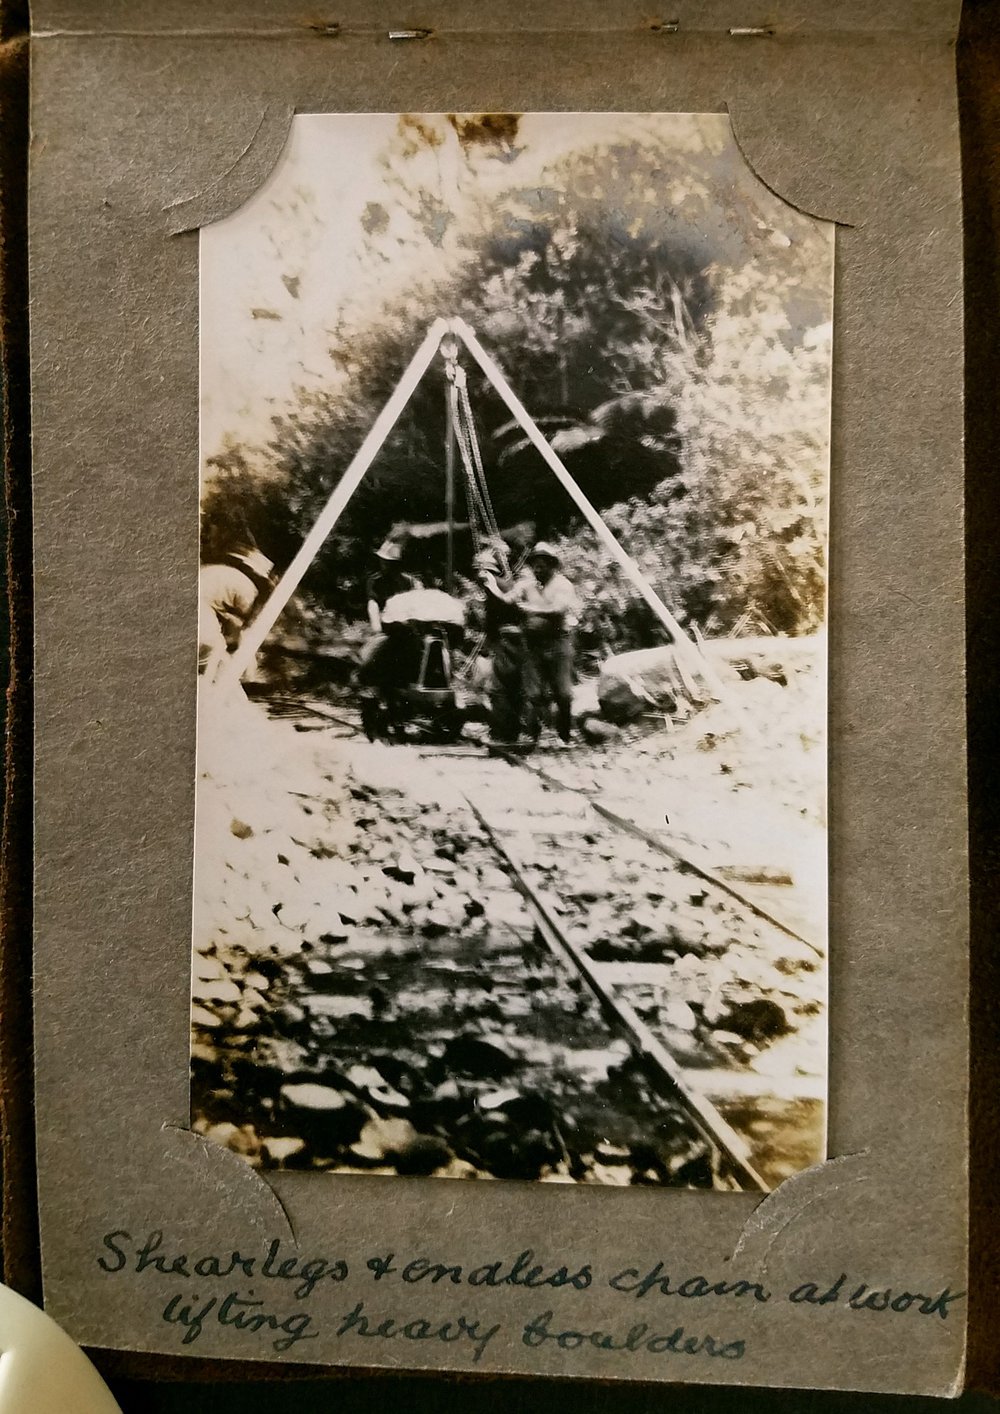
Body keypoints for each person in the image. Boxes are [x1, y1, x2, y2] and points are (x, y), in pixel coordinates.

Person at [515, 542, 579, 745]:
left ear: (552, 565)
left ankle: (564, 735)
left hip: (558, 643)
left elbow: (558, 609)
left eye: (542, 565)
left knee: (563, 692)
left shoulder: (562, 584)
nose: (537, 569)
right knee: (533, 692)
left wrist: (530, 609)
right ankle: (532, 735)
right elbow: (511, 598)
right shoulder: (530, 585)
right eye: (535, 565)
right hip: (534, 644)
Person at [473, 545, 527, 745]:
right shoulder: (500, 586)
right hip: (509, 642)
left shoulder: (495, 587)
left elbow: (505, 613)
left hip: (508, 642)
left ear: (487, 572)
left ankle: (502, 733)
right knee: (509, 687)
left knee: (500, 688)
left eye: (481, 572)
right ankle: (509, 732)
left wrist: (491, 645)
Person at [198, 547, 274, 681]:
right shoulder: (248, 590)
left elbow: (235, 624)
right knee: (214, 647)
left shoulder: (223, 573)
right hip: (199, 604)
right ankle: (210, 690)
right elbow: (246, 632)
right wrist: (251, 670)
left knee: (214, 650)